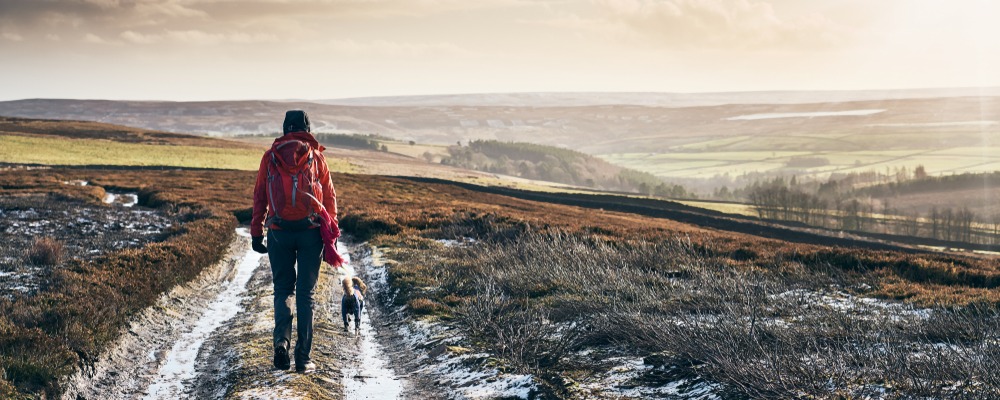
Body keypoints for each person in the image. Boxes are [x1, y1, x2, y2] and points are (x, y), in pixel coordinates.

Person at [250, 110, 337, 373]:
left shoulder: (270, 156)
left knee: (283, 290)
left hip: (278, 231)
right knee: (306, 295)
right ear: (307, 129)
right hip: (311, 232)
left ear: (285, 128)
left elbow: (260, 196)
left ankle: (281, 344)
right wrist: (331, 234)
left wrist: (256, 232)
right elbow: (330, 199)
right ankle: (303, 359)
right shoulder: (316, 157)